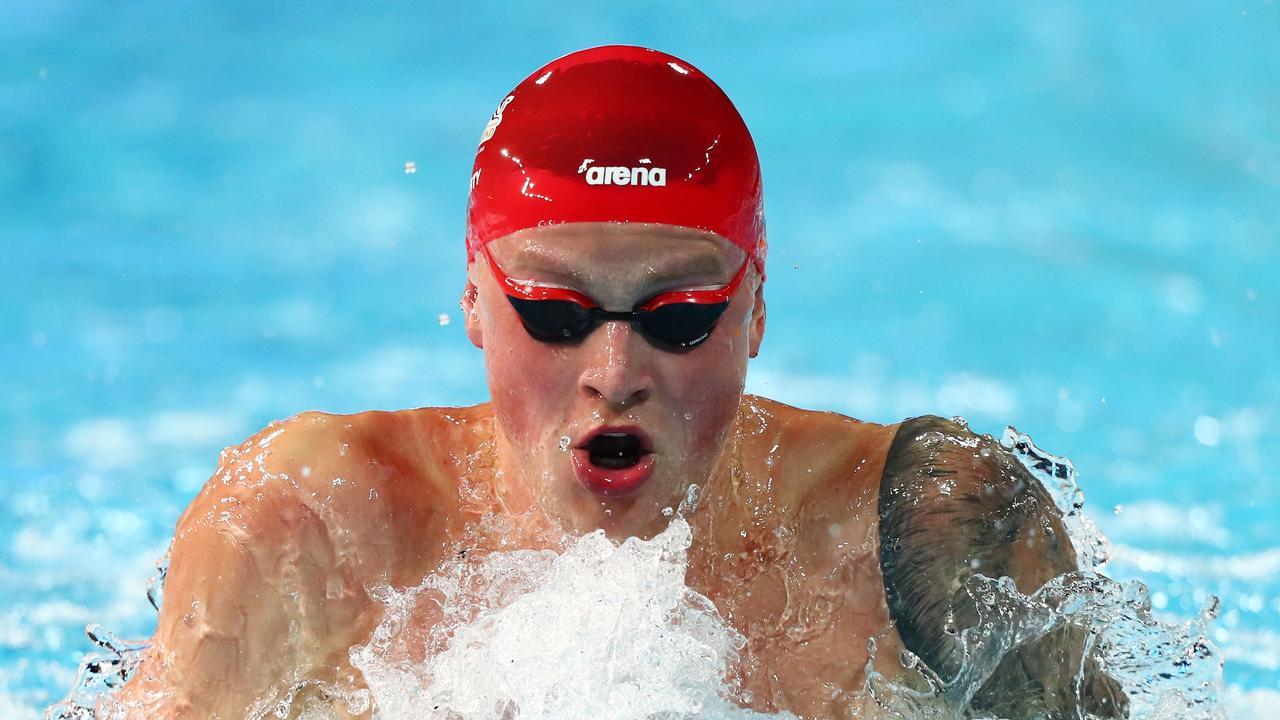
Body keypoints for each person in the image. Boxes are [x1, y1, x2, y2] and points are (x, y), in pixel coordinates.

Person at [112, 45, 1125, 719]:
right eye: (553, 317)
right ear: (471, 301)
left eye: (678, 320)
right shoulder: (307, 529)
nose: (613, 374)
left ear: (756, 309)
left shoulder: (922, 534)